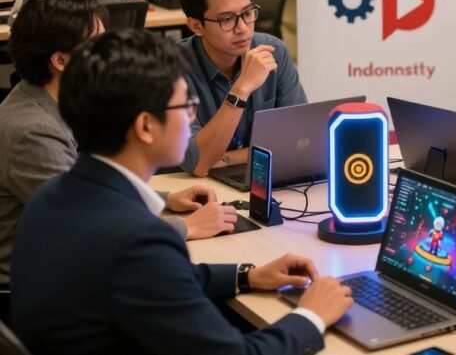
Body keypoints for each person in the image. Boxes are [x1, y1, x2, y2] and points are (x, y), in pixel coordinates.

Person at [12, 29, 353, 354]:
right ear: (146, 126)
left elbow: (163, 279)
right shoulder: (136, 239)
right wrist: (311, 315)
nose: (192, 117)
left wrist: (248, 275)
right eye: (185, 106)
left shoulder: (59, 193)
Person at [0, 0, 234, 292]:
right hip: (37, 286)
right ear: (60, 60)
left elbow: (91, 194)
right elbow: (87, 226)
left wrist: (166, 200)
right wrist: (187, 226)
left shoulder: (53, 101)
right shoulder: (33, 132)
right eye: (97, 46)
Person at [179, 0, 307, 176]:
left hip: (258, 177)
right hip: (189, 192)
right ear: (196, 26)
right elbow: (197, 163)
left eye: (248, 13)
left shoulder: (273, 50)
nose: (243, 29)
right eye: (227, 19)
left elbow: (300, 140)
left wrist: (225, 159)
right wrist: (241, 89)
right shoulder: (172, 69)